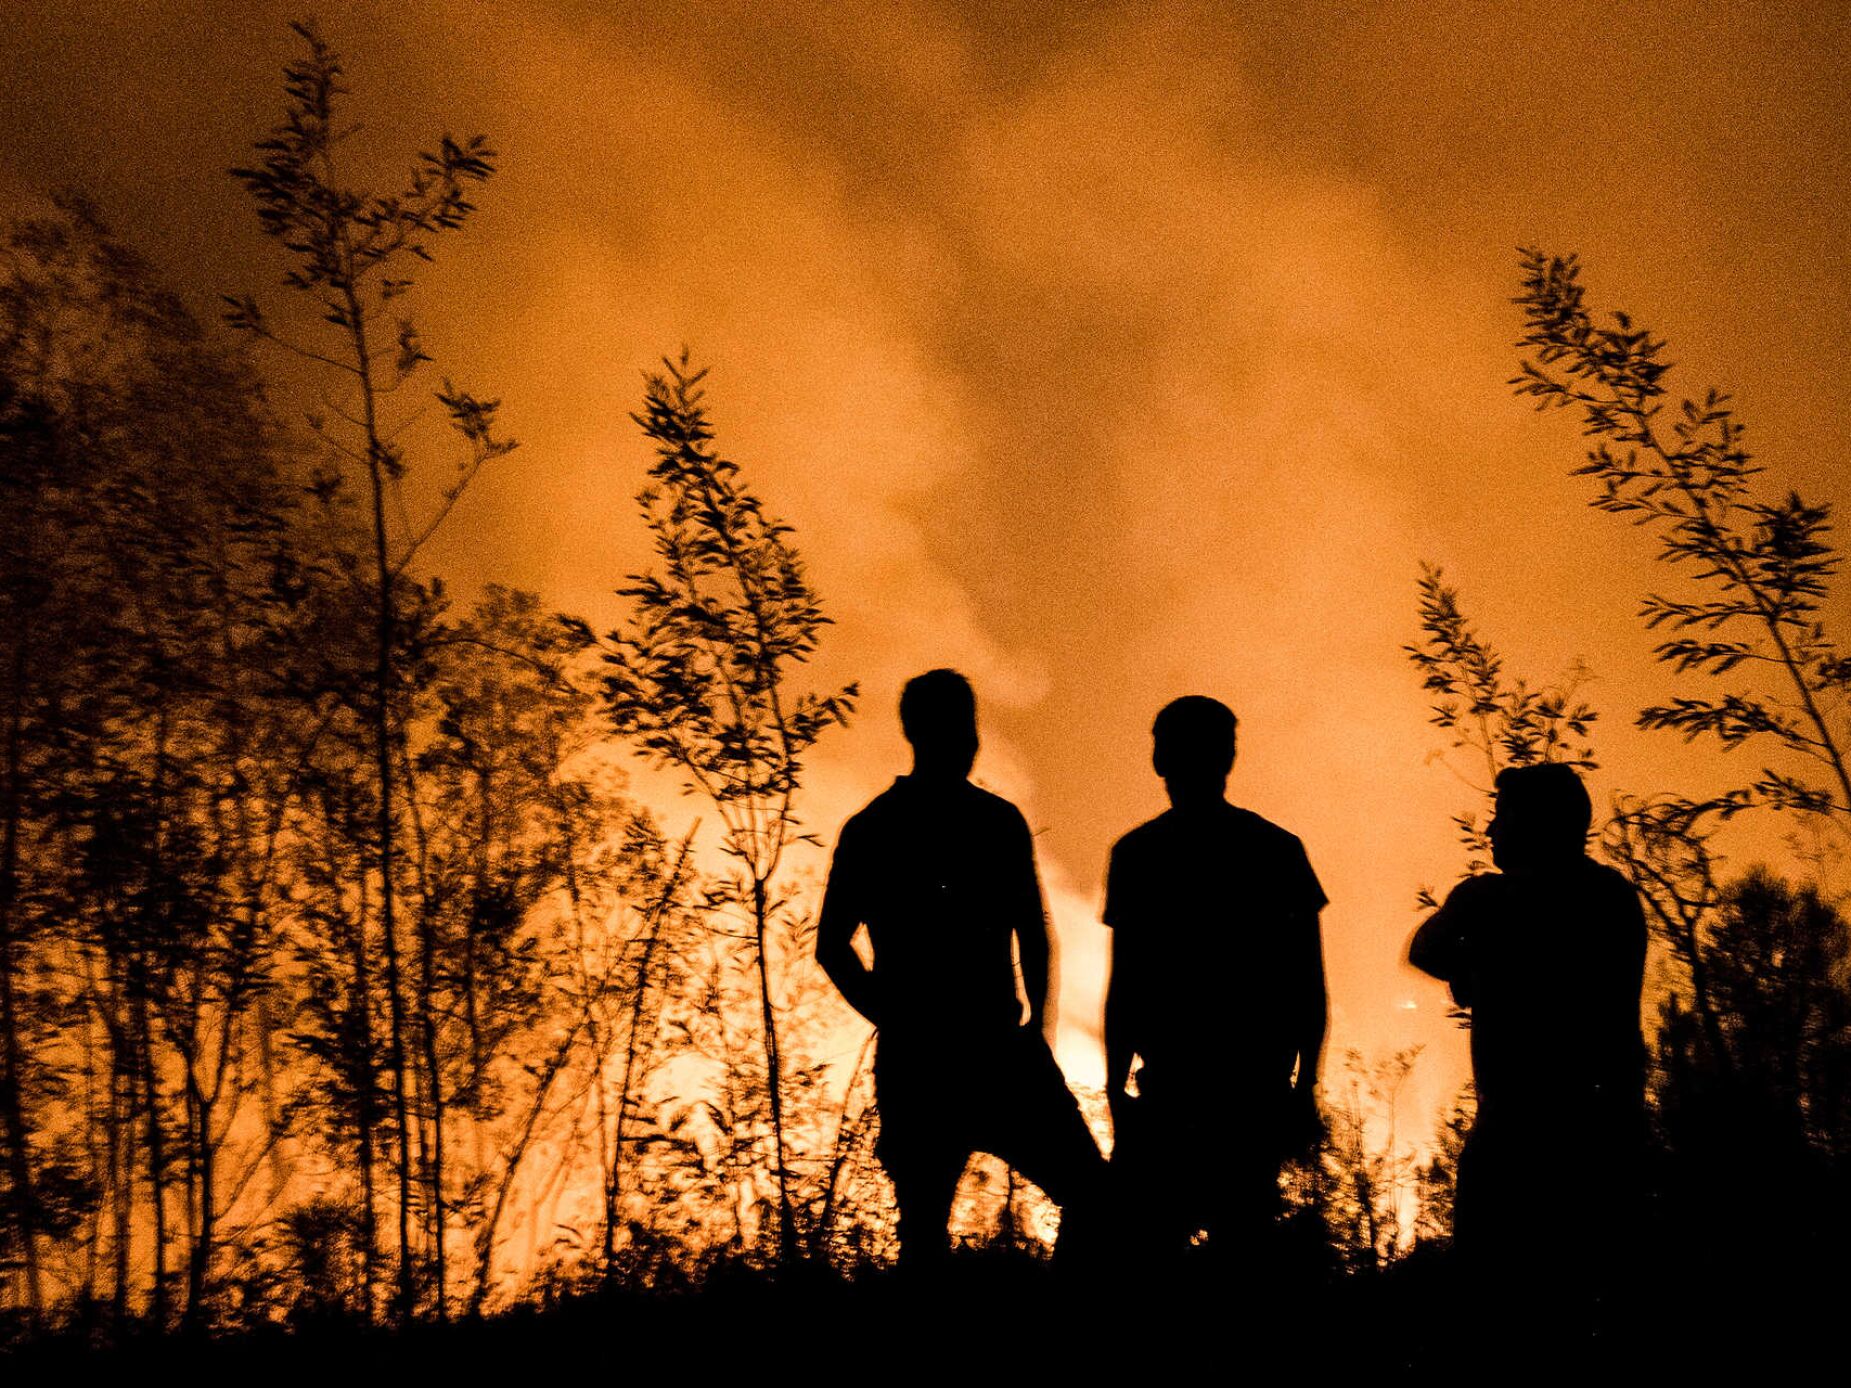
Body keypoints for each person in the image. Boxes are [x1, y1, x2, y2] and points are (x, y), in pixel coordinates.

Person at [815, 669, 1106, 1270]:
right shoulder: (992, 823)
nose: (968, 740)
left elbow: (832, 948)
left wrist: (894, 1017)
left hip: (936, 1058)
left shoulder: (876, 827)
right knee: (1091, 1199)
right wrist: (1038, 1038)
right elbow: (1035, 936)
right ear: (950, 733)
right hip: (989, 1051)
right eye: (962, 726)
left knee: (924, 1234)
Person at [1407, 762, 1646, 1319]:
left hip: (1517, 1135)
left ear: (1534, 822)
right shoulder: (1613, 896)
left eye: (1501, 815)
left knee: (1498, 1304)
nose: (1491, 830)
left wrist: (1476, 965)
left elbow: (1425, 950)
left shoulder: (1487, 899)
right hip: (1604, 1131)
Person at [1102, 696, 1328, 1264]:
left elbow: (1126, 981)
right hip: (1253, 1092)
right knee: (1245, 1254)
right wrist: (1305, 1085)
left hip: (1171, 1090)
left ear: (1160, 759)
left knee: (1146, 1257)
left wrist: (1114, 1085)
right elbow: (1308, 980)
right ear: (1228, 757)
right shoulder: (1278, 849)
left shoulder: (1137, 853)